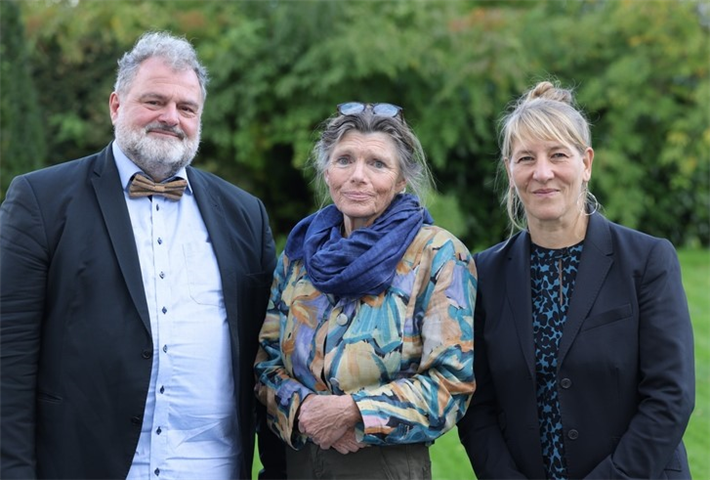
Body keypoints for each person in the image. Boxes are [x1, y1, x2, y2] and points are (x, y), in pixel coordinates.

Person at [0, 31, 285, 480]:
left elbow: (267, 356)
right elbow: (9, 362)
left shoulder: (245, 215)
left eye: (186, 108)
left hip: (210, 468)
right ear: (116, 105)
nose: (171, 117)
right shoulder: (41, 200)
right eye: (154, 101)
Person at [457, 80, 695, 479]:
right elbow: (476, 406)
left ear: (586, 163)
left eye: (558, 155)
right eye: (526, 158)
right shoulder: (485, 274)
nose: (542, 173)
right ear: (509, 169)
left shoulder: (647, 261)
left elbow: (670, 398)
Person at [253, 102, 477, 479]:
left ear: (401, 179)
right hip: (298, 465)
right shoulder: (299, 255)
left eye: (377, 163)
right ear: (327, 172)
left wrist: (353, 413)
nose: (358, 175)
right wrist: (305, 410)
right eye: (344, 160)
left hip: (385, 467)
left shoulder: (437, 256)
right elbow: (265, 363)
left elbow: (451, 383)